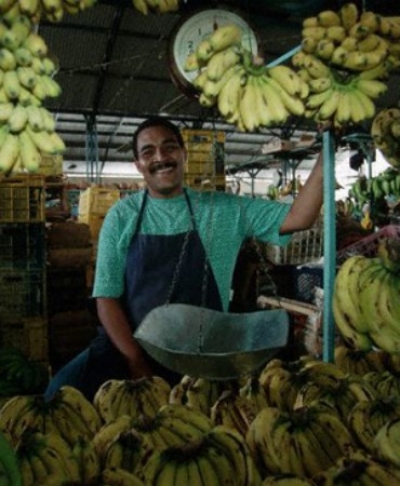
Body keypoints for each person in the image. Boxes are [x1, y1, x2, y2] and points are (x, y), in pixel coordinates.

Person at [45, 116, 324, 401]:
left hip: (203, 353)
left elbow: (298, 217)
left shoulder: (222, 210)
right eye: (148, 152)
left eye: (169, 147)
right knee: (60, 393)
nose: (161, 157)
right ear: (138, 165)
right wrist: (135, 362)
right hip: (129, 345)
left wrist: (325, 156)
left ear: (183, 154)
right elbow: (106, 298)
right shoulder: (122, 216)